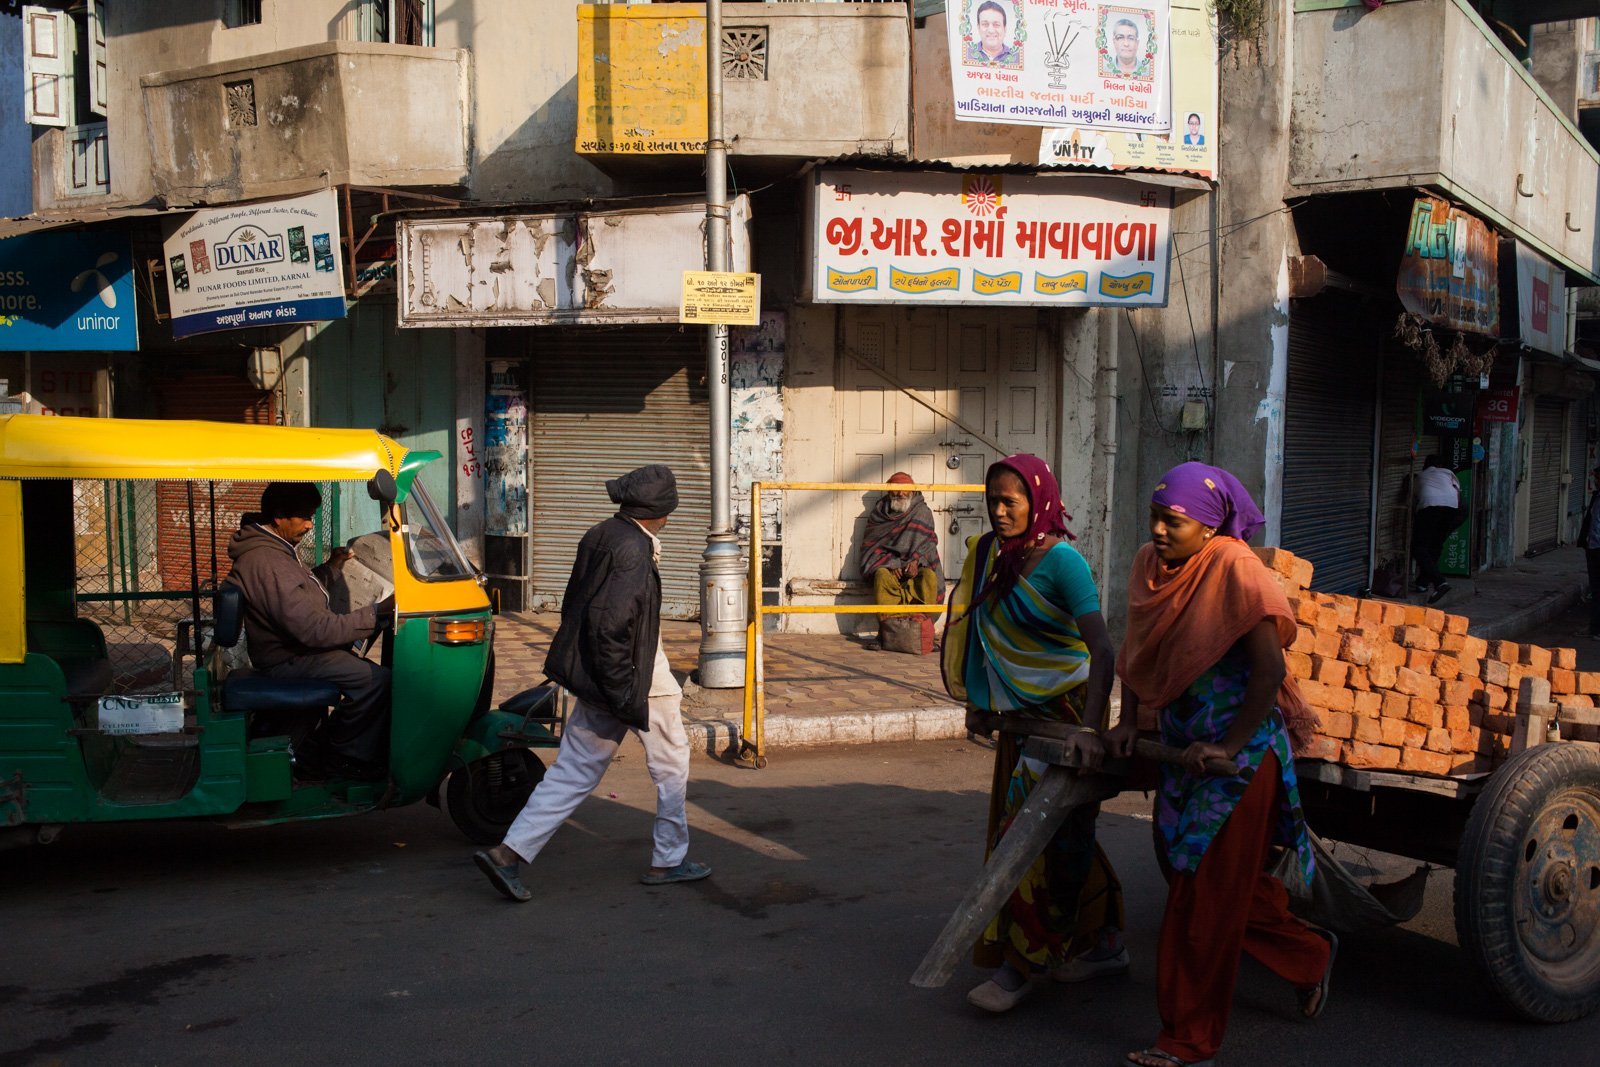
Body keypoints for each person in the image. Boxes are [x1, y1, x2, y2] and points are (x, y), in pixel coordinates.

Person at [1102, 462, 1334, 1067]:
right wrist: (1128, 723)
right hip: (1183, 751)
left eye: (1172, 521)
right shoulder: (1147, 569)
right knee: (1202, 884)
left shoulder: (1235, 568)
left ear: (1208, 526)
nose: (1157, 530)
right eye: (1154, 516)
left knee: (1202, 902)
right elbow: (1139, 653)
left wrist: (1229, 747)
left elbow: (1270, 671)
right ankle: (1310, 957)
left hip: (1238, 761)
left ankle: (1187, 1040)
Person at [474, 465, 711, 901]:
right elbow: (611, 625)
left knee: (573, 770)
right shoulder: (635, 550)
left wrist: (604, 683)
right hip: (638, 679)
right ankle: (669, 861)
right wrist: (622, 692)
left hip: (602, 675)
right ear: (659, 511)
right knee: (671, 765)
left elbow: (578, 607)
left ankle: (508, 854)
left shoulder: (601, 533)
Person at [943, 454, 1127, 1013]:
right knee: (1056, 836)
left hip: (1068, 720)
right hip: (1018, 723)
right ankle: (1106, 940)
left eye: (1011, 503)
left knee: (1028, 840)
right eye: (992, 502)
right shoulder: (988, 556)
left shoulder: (1062, 562)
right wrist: (980, 702)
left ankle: (1017, 967)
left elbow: (1103, 651)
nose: (999, 513)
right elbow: (978, 628)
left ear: (1039, 501)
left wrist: (1092, 729)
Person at [226, 482, 393, 781]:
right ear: (279, 517)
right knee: (375, 681)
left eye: (311, 516)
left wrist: (331, 568)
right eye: (303, 517)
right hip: (288, 657)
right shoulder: (267, 561)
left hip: (296, 649)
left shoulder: (276, 548)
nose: (308, 524)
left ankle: (325, 745)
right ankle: (339, 757)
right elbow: (313, 629)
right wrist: (376, 612)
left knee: (362, 666)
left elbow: (299, 593)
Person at [859, 472, 942, 649]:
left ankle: (925, 633)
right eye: (896, 492)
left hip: (916, 567)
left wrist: (917, 561)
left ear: (911, 491)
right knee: (881, 575)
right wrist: (891, 564)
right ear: (889, 493)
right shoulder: (878, 515)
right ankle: (884, 634)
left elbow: (929, 543)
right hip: (890, 568)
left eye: (905, 491)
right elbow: (872, 547)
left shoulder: (922, 512)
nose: (900, 495)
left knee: (929, 577)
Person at [1411, 455, 1461, 604]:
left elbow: (1414, 497)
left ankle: (1440, 582)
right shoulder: (1449, 474)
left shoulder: (1421, 476)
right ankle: (1422, 583)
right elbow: (1458, 495)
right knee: (1435, 546)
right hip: (1452, 509)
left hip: (1430, 508)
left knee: (1419, 548)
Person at [965, 0, 1021, 67]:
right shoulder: (966, 55)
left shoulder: (1017, 58)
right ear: (978, 28)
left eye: (996, 24)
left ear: (1005, 29)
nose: (991, 30)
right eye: (985, 24)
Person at [1579, 464, 1600, 639]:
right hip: (1593, 548)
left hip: (1597, 549)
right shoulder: (1597, 496)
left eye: (1597, 478)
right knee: (1595, 589)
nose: (1594, 481)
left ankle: (1596, 629)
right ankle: (1594, 627)